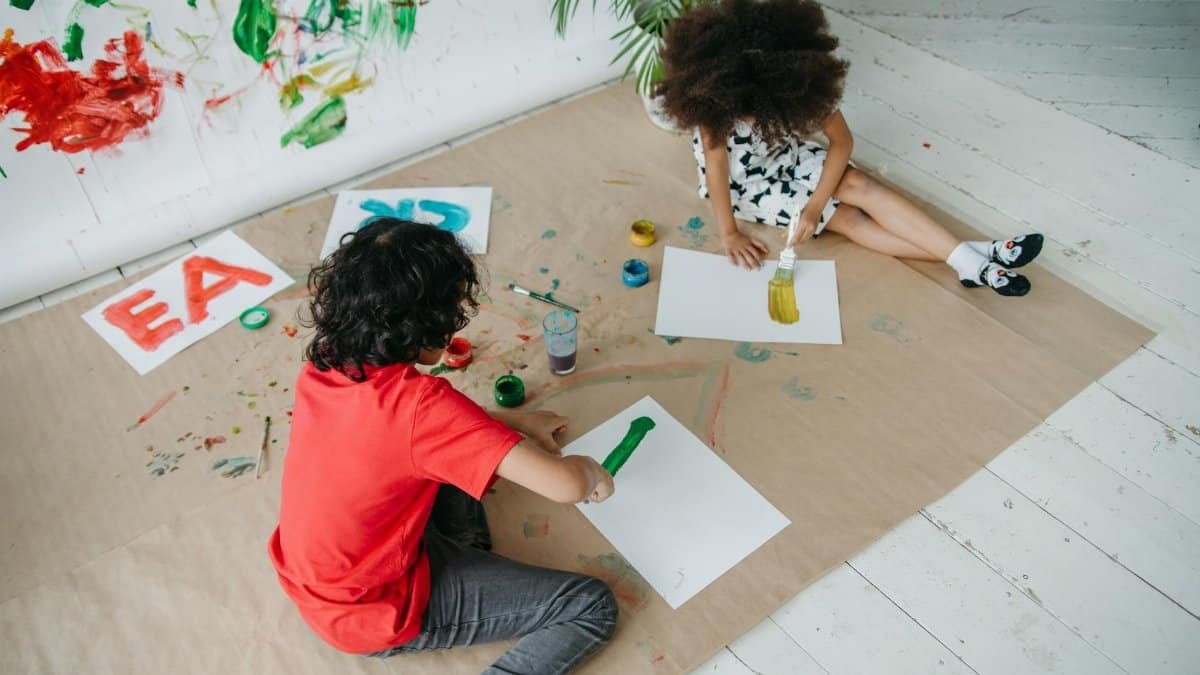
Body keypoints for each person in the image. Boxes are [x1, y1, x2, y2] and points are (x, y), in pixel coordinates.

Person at [267, 218, 617, 674]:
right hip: (374, 608)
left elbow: (408, 434)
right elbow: (565, 486)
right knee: (591, 605)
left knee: (456, 479)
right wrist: (590, 470)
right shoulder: (421, 408)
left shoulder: (327, 363)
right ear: (432, 324)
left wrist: (514, 423)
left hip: (321, 573)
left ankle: (468, 552)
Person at [657, 0, 1042, 296]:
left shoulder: (800, 87)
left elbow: (842, 142)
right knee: (848, 219)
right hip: (748, 185)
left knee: (860, 185)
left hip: (789, 158)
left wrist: (813, 207)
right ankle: (979, 257)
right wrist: (729, 233)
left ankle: (970, 263)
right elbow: (717, 170)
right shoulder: (716, 105)